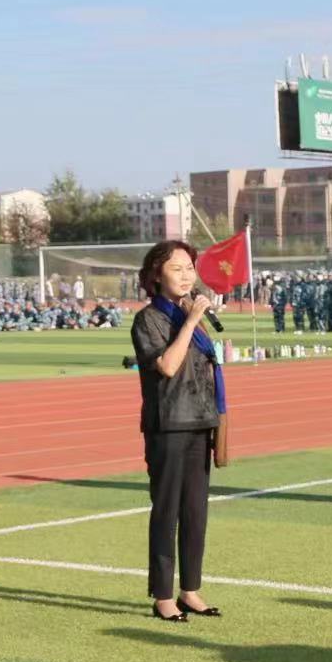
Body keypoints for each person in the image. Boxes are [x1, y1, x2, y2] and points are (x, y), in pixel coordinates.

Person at [131, 239, 225, 623]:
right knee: (166, 512)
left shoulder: (193, 316)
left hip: (199, 422)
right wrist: (189, 322)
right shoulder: (148, 320)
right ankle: (163, 596)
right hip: (168, 425)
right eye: (177, 269)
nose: (187, 276)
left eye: (190, 268)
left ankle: (190, 590)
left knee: (195, 512)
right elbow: (168, 366)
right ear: (157, 275)